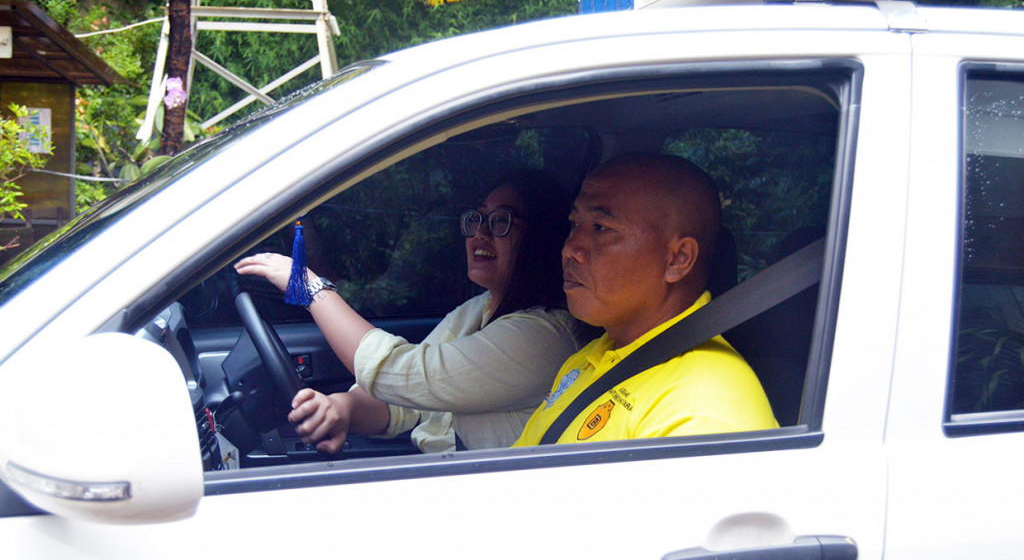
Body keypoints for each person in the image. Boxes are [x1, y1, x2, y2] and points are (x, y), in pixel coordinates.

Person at [235, 170, 581, 454]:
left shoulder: (543, 336)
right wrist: (342, 409)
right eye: (476, 219)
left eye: (502, 221)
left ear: (540, 238)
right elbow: (404, 400)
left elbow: (402, 372)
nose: (480, 234)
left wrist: (310, 288)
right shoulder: (481, 309)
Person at [513, 153, 777, 446]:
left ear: (678, 259)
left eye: (601, 228)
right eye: (575, 224)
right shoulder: (597, 354)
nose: (570, 249)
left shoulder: (698, 408)